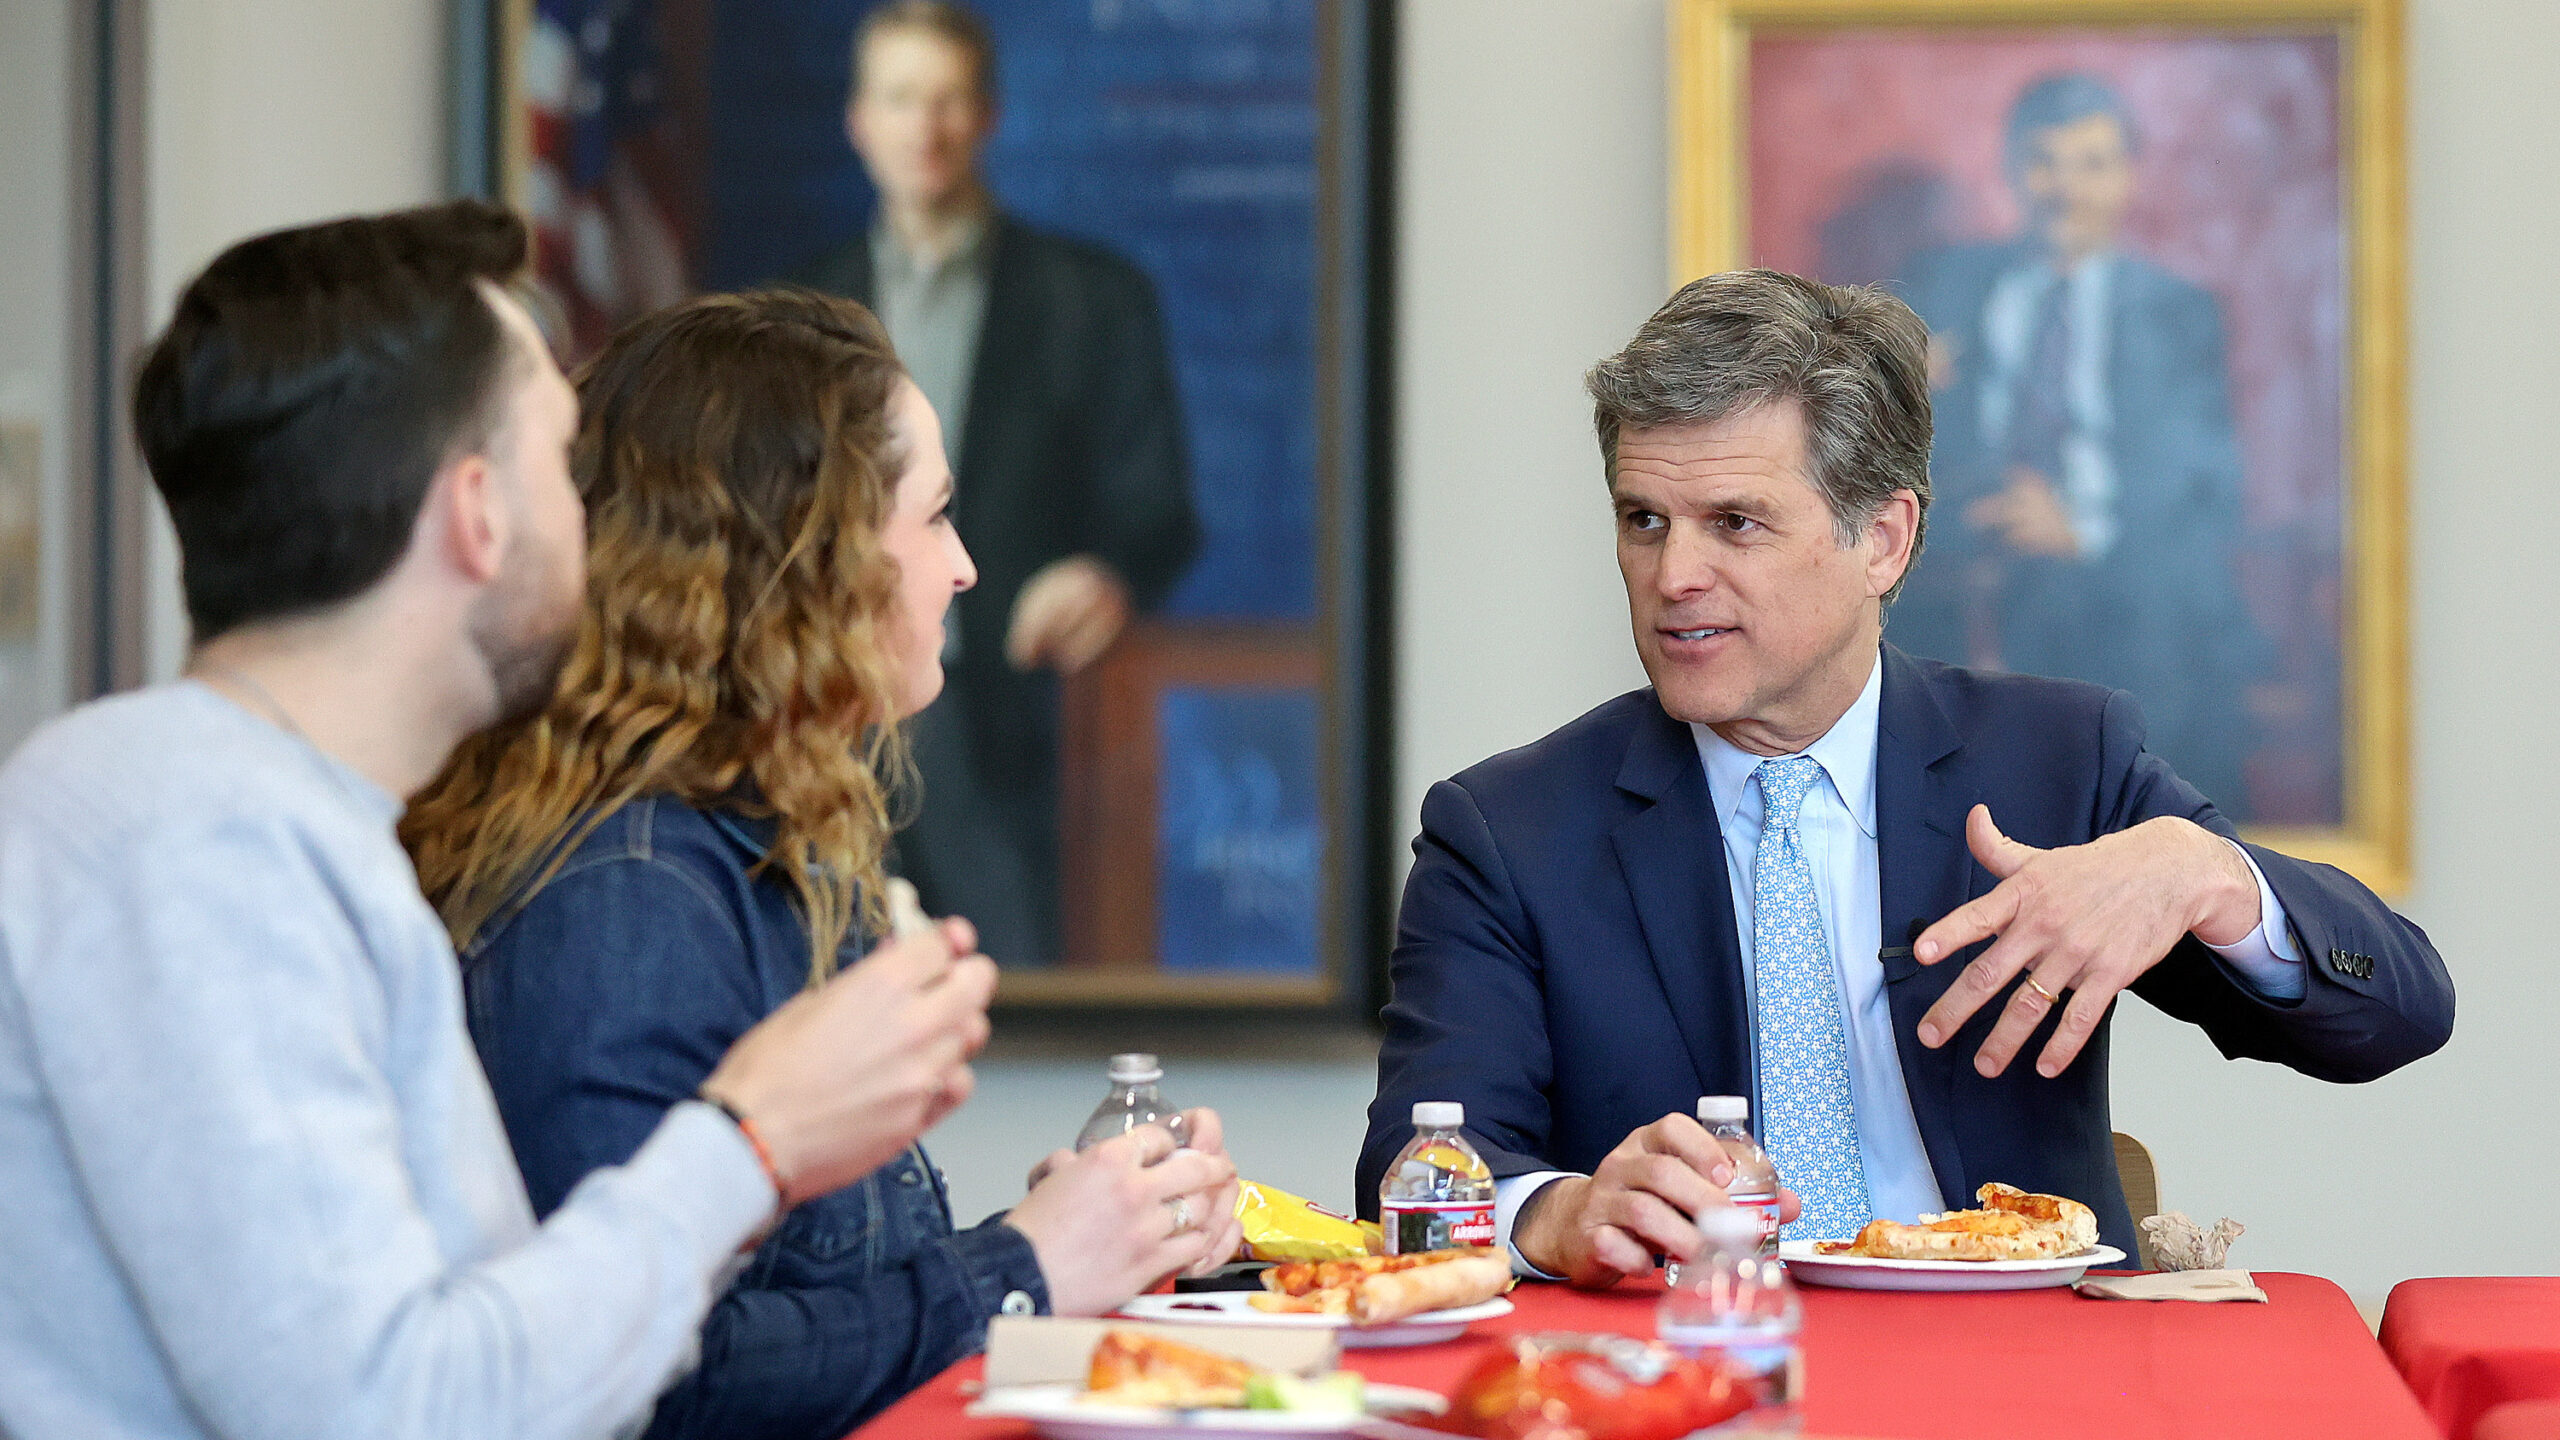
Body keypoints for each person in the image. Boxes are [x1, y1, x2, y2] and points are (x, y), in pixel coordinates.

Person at [0, 202, 1001, 1439]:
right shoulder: (189, 840)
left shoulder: (300, 836)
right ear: (479, 514)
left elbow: (500, 1367)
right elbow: (391, 1412)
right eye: (561, 462)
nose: (604, 525)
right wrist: (753, 1139)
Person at [1357, 269, 2451, 1289]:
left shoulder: (2056, 763)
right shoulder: (1507, 830)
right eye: (1644, 520)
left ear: (1882, 540)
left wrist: (2202, 873)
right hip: (1691, 1374)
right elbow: (1411, 1175)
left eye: (1734, 523)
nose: (1673, 577)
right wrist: (1557, 1213)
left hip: (2014, 1387)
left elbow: (2398, 1015)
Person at [402, 288, 1242, 1438]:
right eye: (935, 516)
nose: (965, 570)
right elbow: (652, 1385)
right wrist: (1021, 1266)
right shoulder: (629, 891)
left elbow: (807, 1313)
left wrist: (1078, 1244)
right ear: (808, 560)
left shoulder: (764, 844)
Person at [799, 0, 1200, 969]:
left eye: (947, 100)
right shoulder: (801, 312)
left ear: (988, 116)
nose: (923, 127)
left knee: (1017, 986)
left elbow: (1161, 511)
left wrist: (1108, 574)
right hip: (832, 730)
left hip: (1024, 733)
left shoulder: (1093, 299)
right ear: (860, 119)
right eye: (900, 98)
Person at [1887, 71, 2266, 813]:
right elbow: (1869, 442)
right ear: (2009, 169)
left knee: (2161, 648)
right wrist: (1899, 388)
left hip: (2128, 586)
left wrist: (2081, 530)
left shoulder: (2180, 312)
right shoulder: (1943, 285)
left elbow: (2206, 491)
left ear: (2127, 175)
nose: (2066, 189)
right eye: (2044, 162)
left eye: (2092, 164)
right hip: (1969, 576)